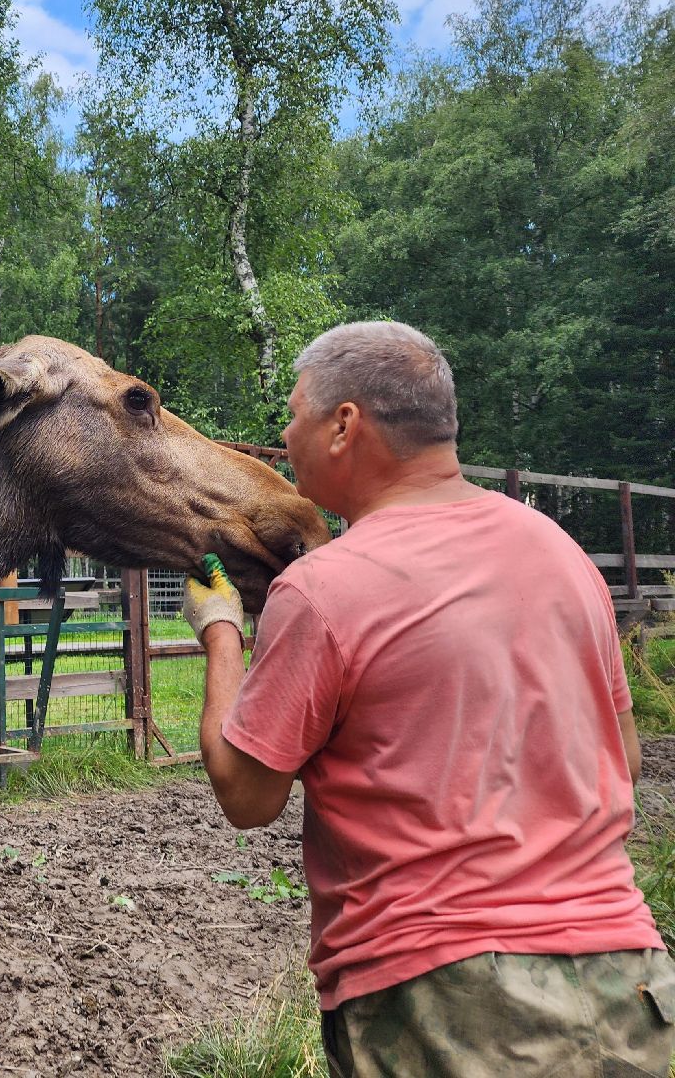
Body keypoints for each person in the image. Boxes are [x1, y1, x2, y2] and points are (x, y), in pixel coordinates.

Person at [184, 321, 675, 1076]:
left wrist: (220, 634)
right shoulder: (561, 554)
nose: (285, 434)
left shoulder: (324, 589)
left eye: (293, 414)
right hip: (631, 977)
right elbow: (627, 757)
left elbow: (248, 796)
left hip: (450, 1000)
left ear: (344, 424)